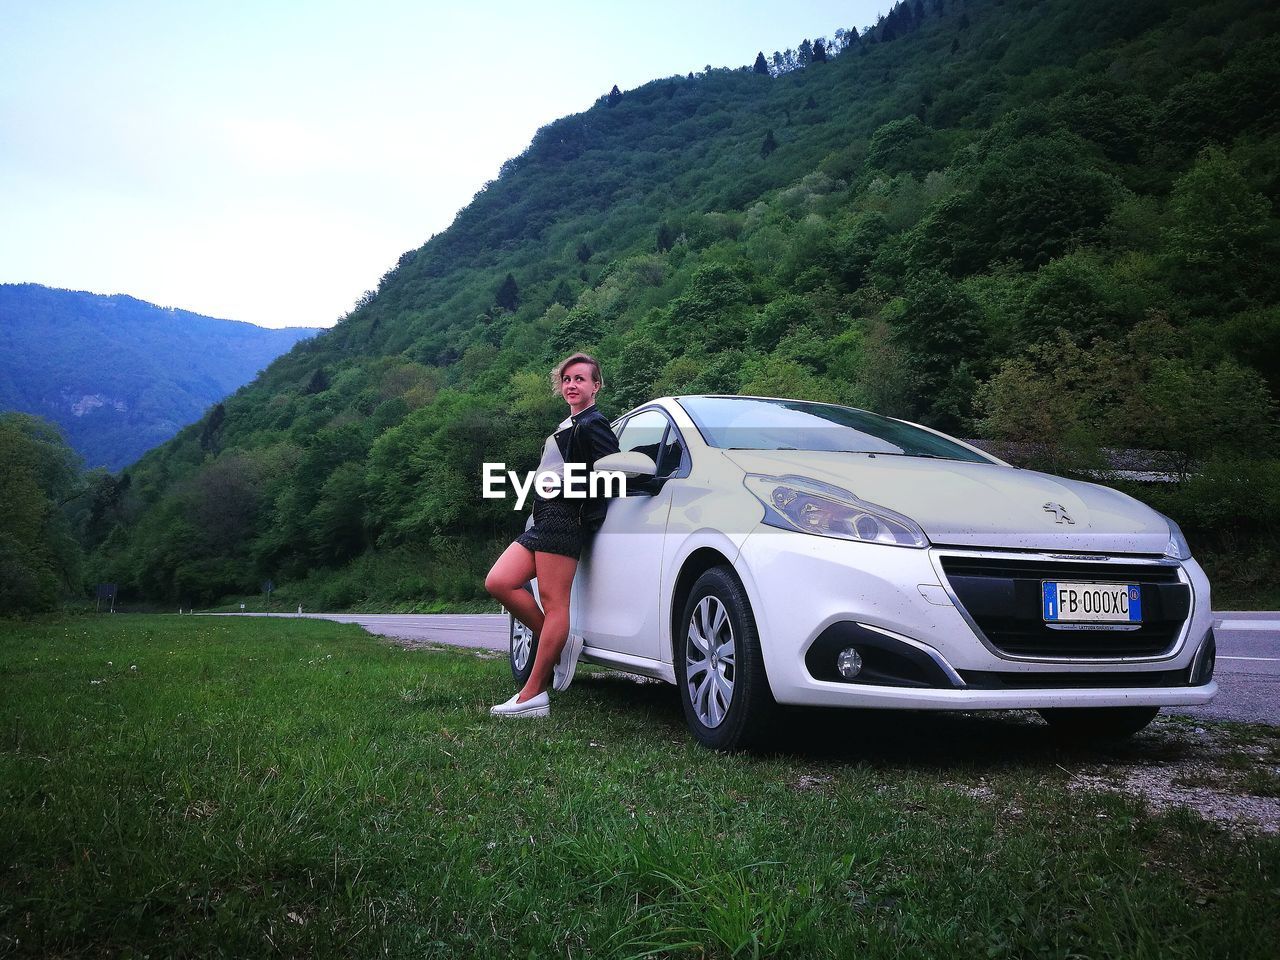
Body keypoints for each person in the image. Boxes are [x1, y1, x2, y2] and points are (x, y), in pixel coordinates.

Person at [484, 352, 620, 718]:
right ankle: (559, 643)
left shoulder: (595, 424)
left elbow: (611, 473)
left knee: (555, 602)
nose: (572, 385)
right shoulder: (568, 425)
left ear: (596, 386)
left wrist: (575, 499)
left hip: (565, 516)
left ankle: (533, 696)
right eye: (567, 379)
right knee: (499, 581)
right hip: (544, 517)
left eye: (580, 379)